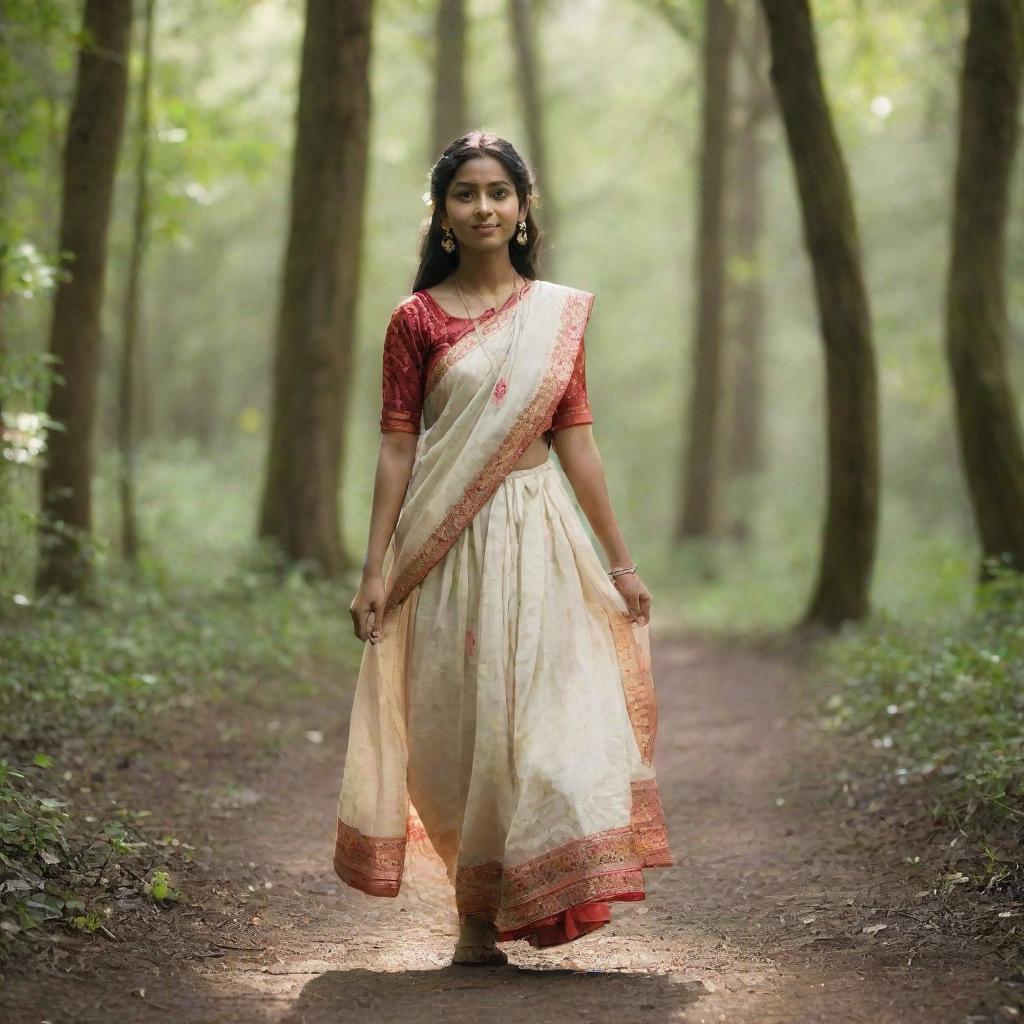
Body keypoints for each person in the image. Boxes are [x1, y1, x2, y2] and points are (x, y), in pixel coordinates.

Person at [334, 130, 672, 966]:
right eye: (465, 194)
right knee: (465, 728)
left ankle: (547, 886)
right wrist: (374, 569)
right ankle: (475, 920)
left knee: (553, 726)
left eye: (498, 193)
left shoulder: (554, 317)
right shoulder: (415, 321)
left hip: (543, 535)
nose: (483, 207)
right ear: (443, 214)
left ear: (522, 208)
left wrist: (620, 562)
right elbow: (396, 448)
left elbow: (578, 443)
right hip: (448, 550)